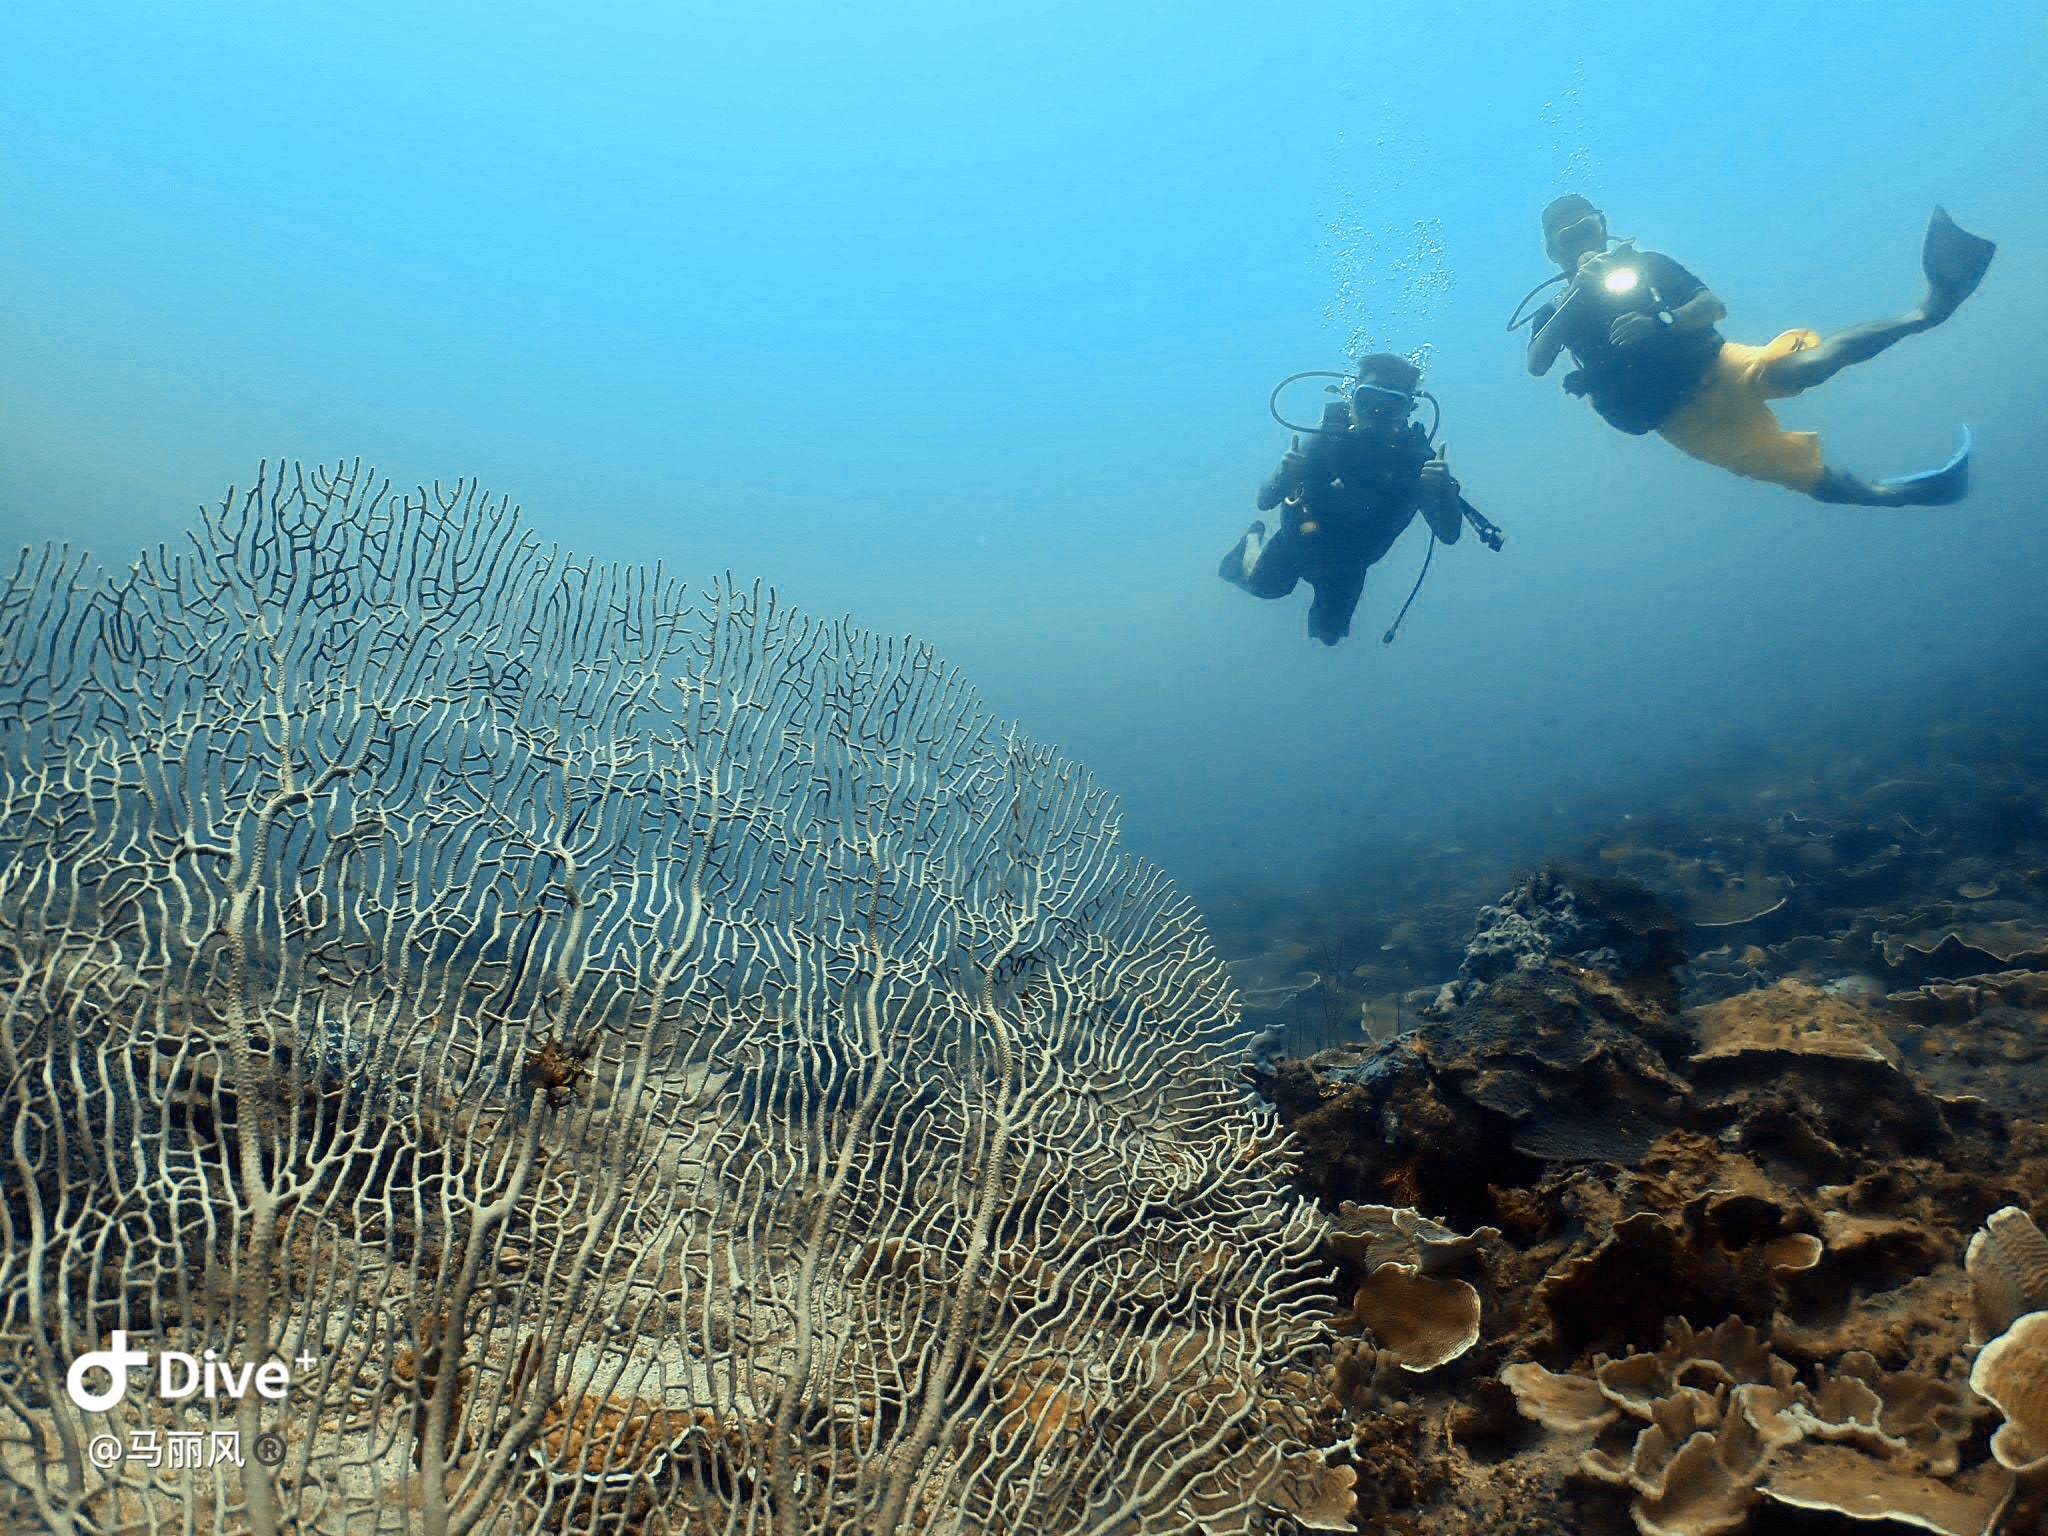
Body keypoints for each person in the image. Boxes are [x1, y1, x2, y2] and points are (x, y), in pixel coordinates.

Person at [1524, 194, 1995, 505]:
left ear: (1604, 225)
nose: (1584, 240)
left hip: (1718, 365)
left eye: (1589, 227)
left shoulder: (1646, 265)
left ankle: (1928, 310)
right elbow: (1536, 362)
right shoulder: (1556, 311)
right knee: (1800, 476)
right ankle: (1905, 494)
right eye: (1570, 237)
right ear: (1553, 253)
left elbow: (1711, 305)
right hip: (1678, 419)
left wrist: (1661, 322)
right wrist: (1579, 296)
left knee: (1804, 367)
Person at [1219, 354, 1470, 645]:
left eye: (1391, 404)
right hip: (1297, 545)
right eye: (1368, 399)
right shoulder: (1325, 442)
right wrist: (1282, 476)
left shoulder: (1418, 464)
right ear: (1351, 398)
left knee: (1329, 635)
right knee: (1265, 588)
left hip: (1350, 566)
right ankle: (1251, 541)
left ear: (1408, 409)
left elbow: (1449, 534)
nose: (1376, 413)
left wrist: (1440, 492)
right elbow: (1265, 501)